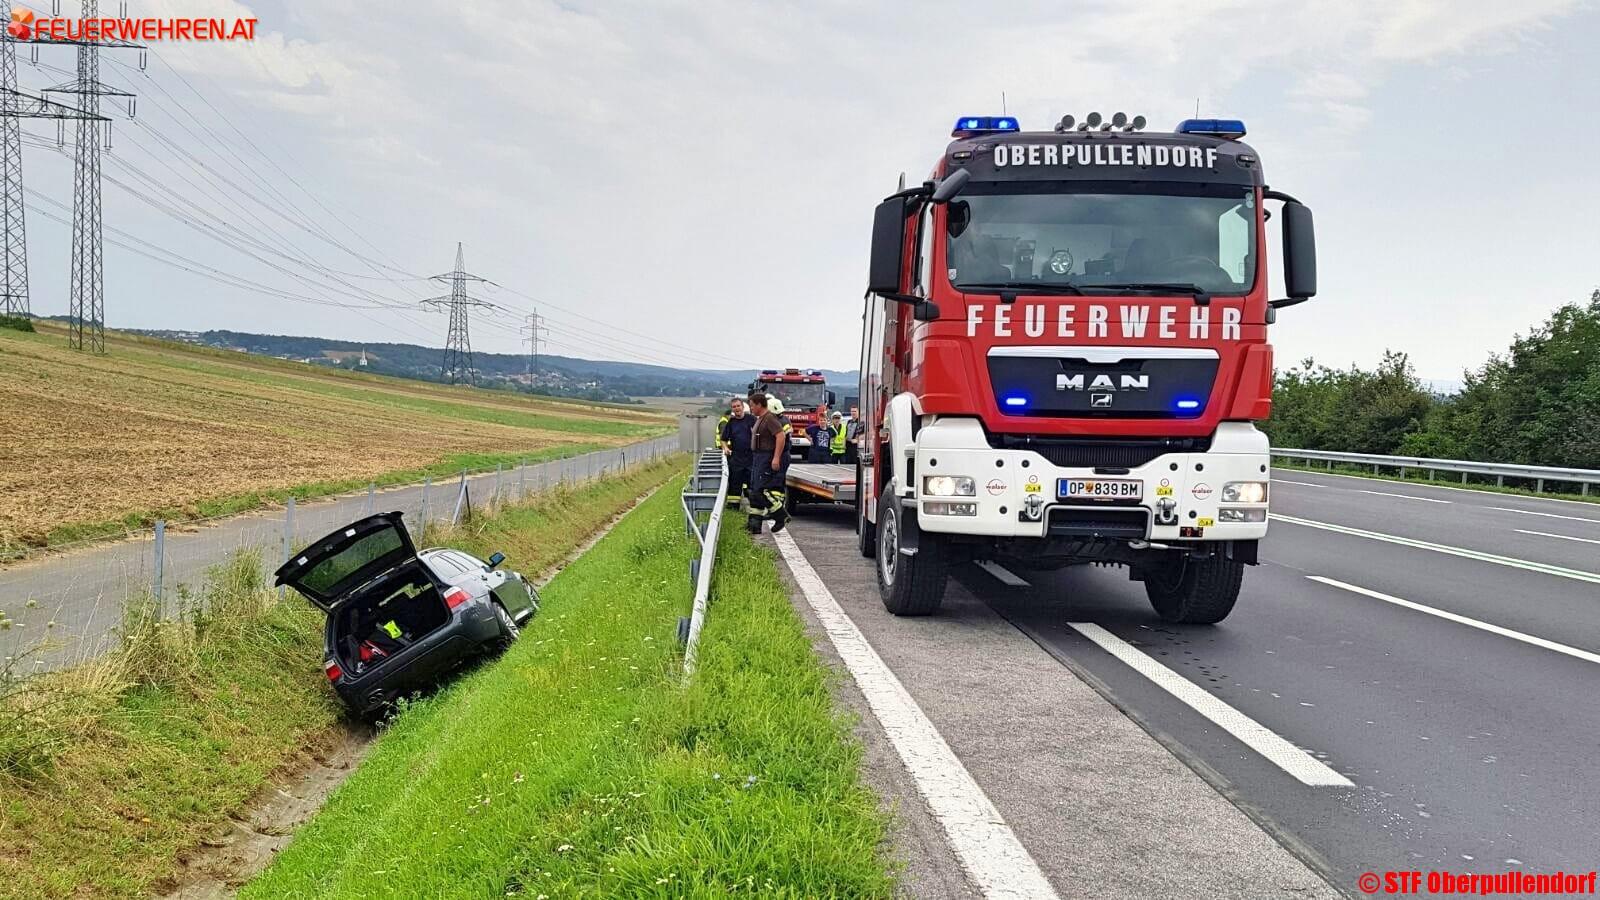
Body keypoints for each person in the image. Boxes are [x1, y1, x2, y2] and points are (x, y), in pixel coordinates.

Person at [746, 392, 790, 534]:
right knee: (754, 491)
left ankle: (780, 515)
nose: (751, 408)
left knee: (760, 491)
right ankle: (754, 524)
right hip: (758, 457)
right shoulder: (760, 418)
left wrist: (776, 458)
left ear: (759, 405)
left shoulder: (769, 418)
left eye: (752, 406)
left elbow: (781, 436)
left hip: (766, 457)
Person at [718, 397, 754, 507]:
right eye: (734, 407)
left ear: (742, 407)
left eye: (738, 406)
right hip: (736, 459)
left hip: (751, 458)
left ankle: (755, 509)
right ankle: (733, 509)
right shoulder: (731, 423)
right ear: (732, 409)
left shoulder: (752, 419)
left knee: (752, 485)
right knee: (734, 485)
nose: (736, 408)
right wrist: (725, 448)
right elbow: (723, 439)